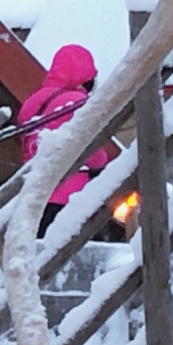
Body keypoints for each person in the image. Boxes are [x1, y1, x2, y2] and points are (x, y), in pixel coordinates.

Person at [17, 43, 118, 235]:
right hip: (69, 195)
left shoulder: (33, 101)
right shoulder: (77, 103)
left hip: (33, 192)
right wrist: (102, 164)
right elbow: (92, 151)